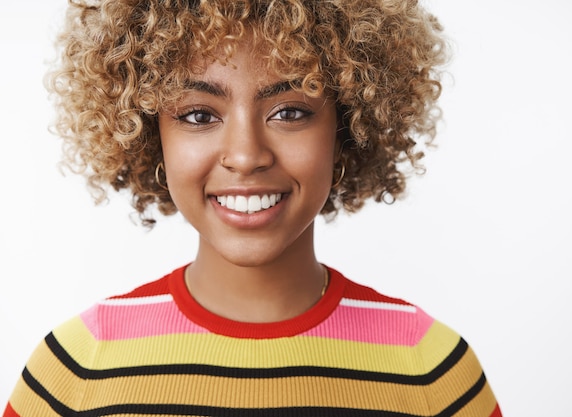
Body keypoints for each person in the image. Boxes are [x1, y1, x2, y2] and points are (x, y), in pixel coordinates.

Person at [4, 0, 502, 416]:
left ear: (347, 128)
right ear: (149, 134)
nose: (245, 155)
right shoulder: (75, 371)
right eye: (199, 114)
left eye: (290, 112)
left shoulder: (434, 373)